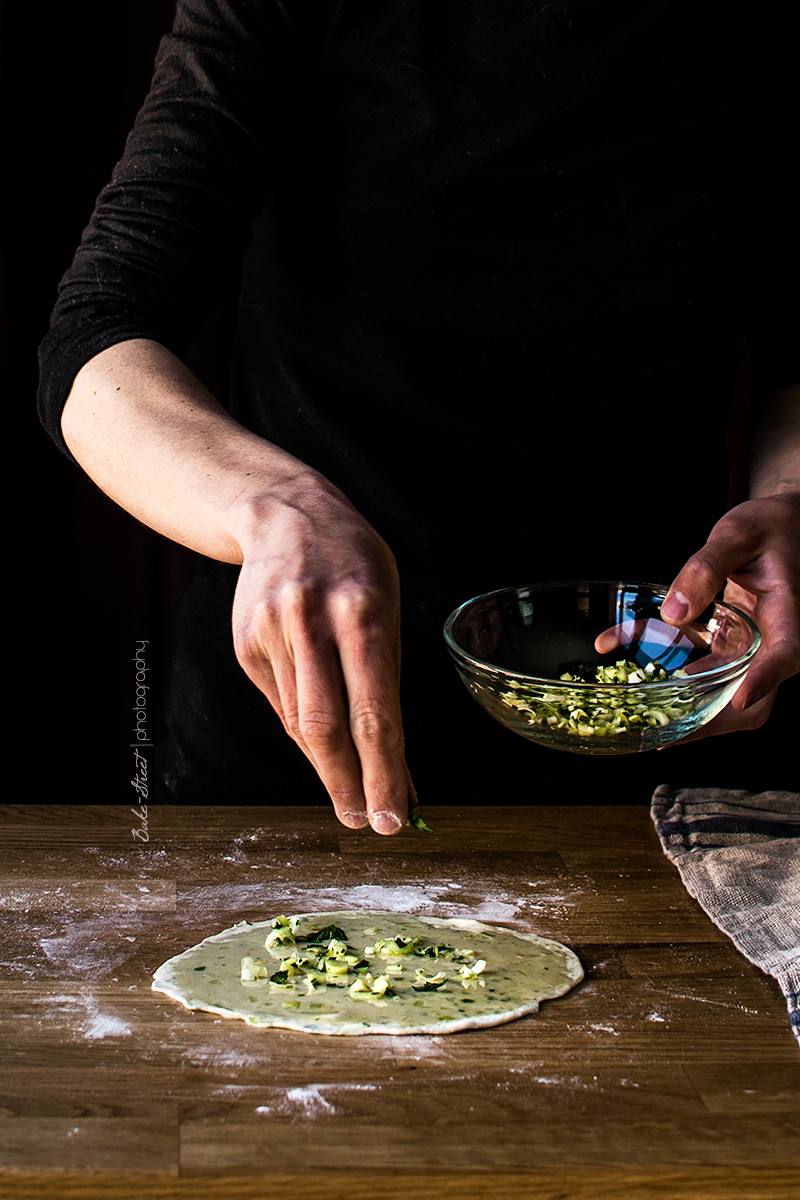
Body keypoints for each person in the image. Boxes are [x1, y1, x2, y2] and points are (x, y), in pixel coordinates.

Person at [38, 1, 800, 830]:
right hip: (296, 734)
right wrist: (278, 510)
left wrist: (793, 503)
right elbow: (97, 340)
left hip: (648, 724)